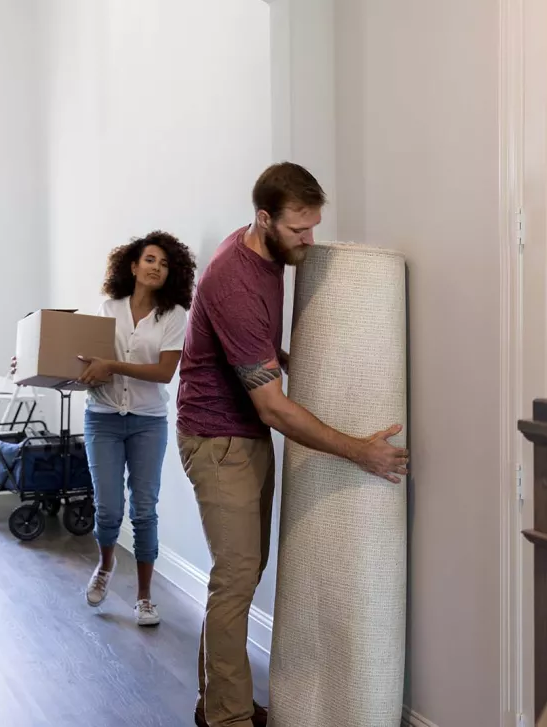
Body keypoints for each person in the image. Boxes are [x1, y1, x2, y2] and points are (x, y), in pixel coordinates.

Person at [176, 162, 408, 727]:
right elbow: (274, 407)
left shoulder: (266, 256)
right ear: (264, 219)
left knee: (242, 575)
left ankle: (219, 701)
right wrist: (361, 451)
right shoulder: (234, 275)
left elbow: (243, 340)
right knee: (235, 578)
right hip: (217, 438)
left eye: (314, 227)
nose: (310, 241)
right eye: (299, 230)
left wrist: (276, 355)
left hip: (241, 435)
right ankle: (227, 720)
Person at [76, 231, 196, 626]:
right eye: (150, 260)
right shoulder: (108, 309)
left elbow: (164, 372)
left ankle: (144, 598)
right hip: (103, 418)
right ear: (132, 265)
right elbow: (87, 363)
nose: (156, 267)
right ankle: (106, 566)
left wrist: (112, 366)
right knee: (109, 508)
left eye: (163, 263)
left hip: (147, 423)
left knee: (145, 511)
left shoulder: (174, 316)